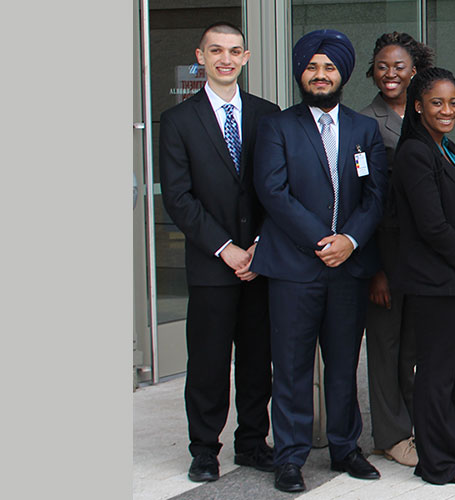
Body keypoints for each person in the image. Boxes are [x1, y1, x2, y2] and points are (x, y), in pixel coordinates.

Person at [251, 28, 387, 493]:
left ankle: (345, 448)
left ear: (343, 73)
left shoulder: (364, 128)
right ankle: (289, 456)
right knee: (290, 365)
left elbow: (376, 196)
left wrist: (348, 240)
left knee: (344, 362)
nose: (320, 74)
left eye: (329, 67)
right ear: (300, 73)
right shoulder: (277, 126)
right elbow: (273, 191)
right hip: (293, 268)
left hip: (347, 269)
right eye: (312, 66)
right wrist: (321, 240)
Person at [160, 21, 281, 483]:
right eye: (216, 51)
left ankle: (252, 442)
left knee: (256, 362)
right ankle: (203, 450)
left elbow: (278, 189)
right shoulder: (178, 121)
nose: (225, 59)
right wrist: (227, 248)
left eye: (234, 51)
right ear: (201, 56)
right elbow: (178, 198)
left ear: (246, 57)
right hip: (212, 266)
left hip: (261, 262)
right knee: (209, 364)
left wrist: (260, 246)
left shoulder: (268, 115)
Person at [384, 67, 455, 485]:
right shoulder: (414, 152)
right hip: (438, 282)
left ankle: (453, 452)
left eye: (453, 102)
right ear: (417, 106)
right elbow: (431, 225)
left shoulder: (445, 148)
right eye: (437, 103)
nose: (448, 110)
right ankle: (437, 462)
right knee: (437, 372)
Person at [356, 30, 434, 469]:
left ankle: (408, 425)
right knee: (385, 348)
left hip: (420, 259)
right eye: (383, 66)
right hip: (386, 257)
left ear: (415, 71)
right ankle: (389, 434)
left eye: (399, 66)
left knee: (410, 349)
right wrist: (375, 269)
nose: (390, 74)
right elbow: (366, 200)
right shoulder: (365, 122)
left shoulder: (426, 116)